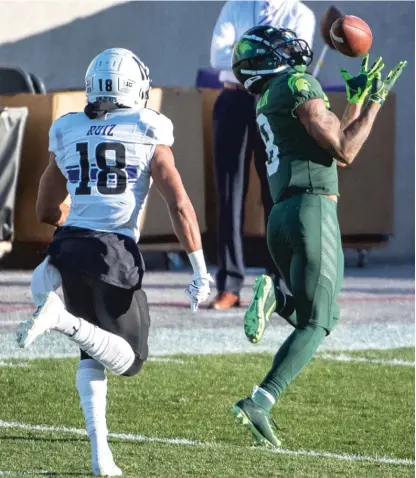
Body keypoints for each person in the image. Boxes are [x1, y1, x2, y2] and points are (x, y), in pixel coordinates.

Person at [16, 48, 212, 476]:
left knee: (91, 351)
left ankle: (101, 457)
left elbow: (46, 211)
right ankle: (60, 319)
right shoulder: (148, 127)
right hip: (112, 251)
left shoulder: (67, 128)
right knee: (131, 360)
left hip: (66, 249)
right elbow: (178, 203)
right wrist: (199, 268)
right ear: (134, 88)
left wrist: (78, 225)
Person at [230, 26, 407, 446]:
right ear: (269, 58)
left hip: (283, 217)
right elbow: (346, 151)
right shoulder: (297, 82)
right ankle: (261, 400)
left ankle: (278, 298)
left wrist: (358, 100)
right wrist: (377, 104)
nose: (292, 47)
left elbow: (331, 144)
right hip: (313, 211)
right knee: (319, 323)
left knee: (318, 316)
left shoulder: (270, 96)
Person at [209, 0, 316, 310]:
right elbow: (217, 55)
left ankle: (278, 281)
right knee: (230, 194)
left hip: (274, 102)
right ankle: (229, 284)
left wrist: (246, 57)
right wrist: (266, 59)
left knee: (276, 192)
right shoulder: (235, 6)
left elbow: (294, 63)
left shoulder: (300, 14)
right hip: (233, 100)